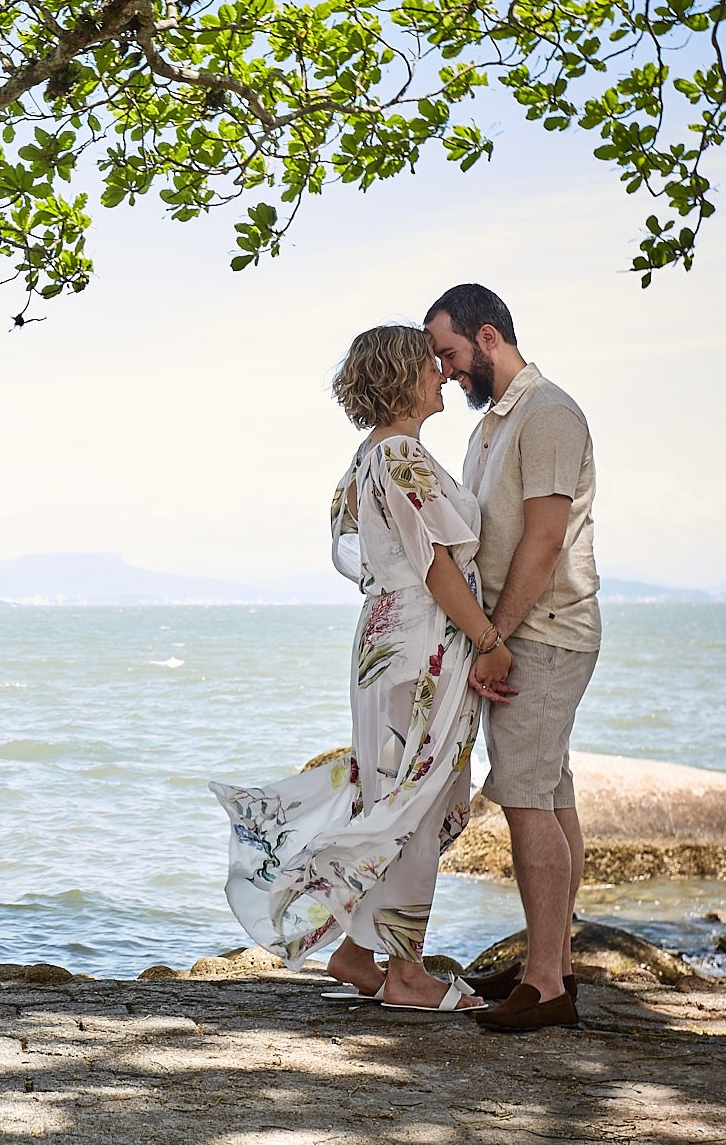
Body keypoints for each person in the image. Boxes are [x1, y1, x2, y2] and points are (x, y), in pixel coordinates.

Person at [212, 325, 514, 1012]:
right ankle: (406, 975)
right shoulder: (402, 453)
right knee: (414, 799)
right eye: (431, 366)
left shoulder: (366, 456)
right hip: (421, 643)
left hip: (385, 642)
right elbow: (435, 563)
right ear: (403, 376)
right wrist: (489, 638)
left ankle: (354, 951)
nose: (443, 374)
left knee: (392, 792)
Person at [424, 284, 600, 1034]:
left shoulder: (549, 413)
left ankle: (547, 985)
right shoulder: (491, 426)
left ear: (488, 336)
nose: (447, 372)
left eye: (451, 355)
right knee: (552, 794)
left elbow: (545, 538)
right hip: (520, 628)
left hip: (543, 631)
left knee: (527, 796)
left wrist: (495, 637)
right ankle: (551, 965)